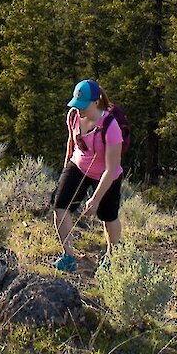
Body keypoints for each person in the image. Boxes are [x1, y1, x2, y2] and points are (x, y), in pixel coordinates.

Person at [52, 79, 124, 273]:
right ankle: (68, 256)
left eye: (83, 105)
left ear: (96, 102)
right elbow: (72, 141)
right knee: (60, 207)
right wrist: (66, 166)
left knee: (108, 217)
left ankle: (112, 257)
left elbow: (111, 168)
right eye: (76, 104)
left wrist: (95, 199)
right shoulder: (73, 116)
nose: (78, 109)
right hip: (79, 165)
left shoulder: (111, 127)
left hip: (107, 174)